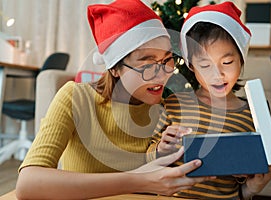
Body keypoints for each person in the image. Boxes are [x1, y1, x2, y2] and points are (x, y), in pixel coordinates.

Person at [15, 1, 214, 199]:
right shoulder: (77, 98)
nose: (162, 75)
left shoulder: (165, 109)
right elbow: (28, 184)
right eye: (147, 63)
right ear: (114, 68)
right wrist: (138, 179)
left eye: (167, 59)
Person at [146, 2, 271, 200]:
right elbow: (146, 159)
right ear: (192, 67)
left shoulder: (252, 115)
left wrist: (251, 187)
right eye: (205, 65)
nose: (217, 74)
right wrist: (160, 150)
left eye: (227, 63)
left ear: (241, 60)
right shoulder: (174, 105)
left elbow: (243, 189)